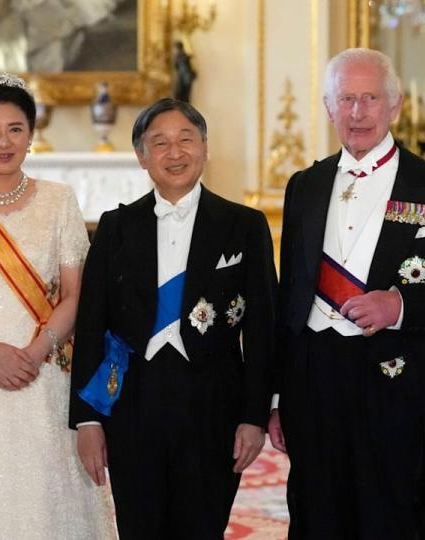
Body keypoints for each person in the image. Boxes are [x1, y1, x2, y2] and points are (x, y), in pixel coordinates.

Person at [268, 48, 425, 539]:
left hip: (396, 380)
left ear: (395, 106)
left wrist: (401, 307)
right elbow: (290, 299)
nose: (357, 112)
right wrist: (278, 394)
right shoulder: (303, 186)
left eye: (370, 98)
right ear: (328, 107)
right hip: (314, 381)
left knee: (392, 513)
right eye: (345, 98)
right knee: (315, 511)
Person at [70, 98, 278, 539]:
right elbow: (91, 324)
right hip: (132, 406)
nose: (175, 152)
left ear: (205, 148)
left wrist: (254, 415)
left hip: (214, 405)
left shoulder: (243, 225)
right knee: (139, 527)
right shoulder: (116, 227)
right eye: (159, 143)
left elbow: (263, 328)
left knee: (202, 527)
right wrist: (87, 419)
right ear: (142, 157)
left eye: (186, 139)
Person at [0, 72, 117, 539]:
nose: (3, 141)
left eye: (15, 128)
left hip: (42, 374)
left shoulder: (59, 201)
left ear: (32, 136)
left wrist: (32, 353)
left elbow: (76, 295)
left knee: (41, 493)